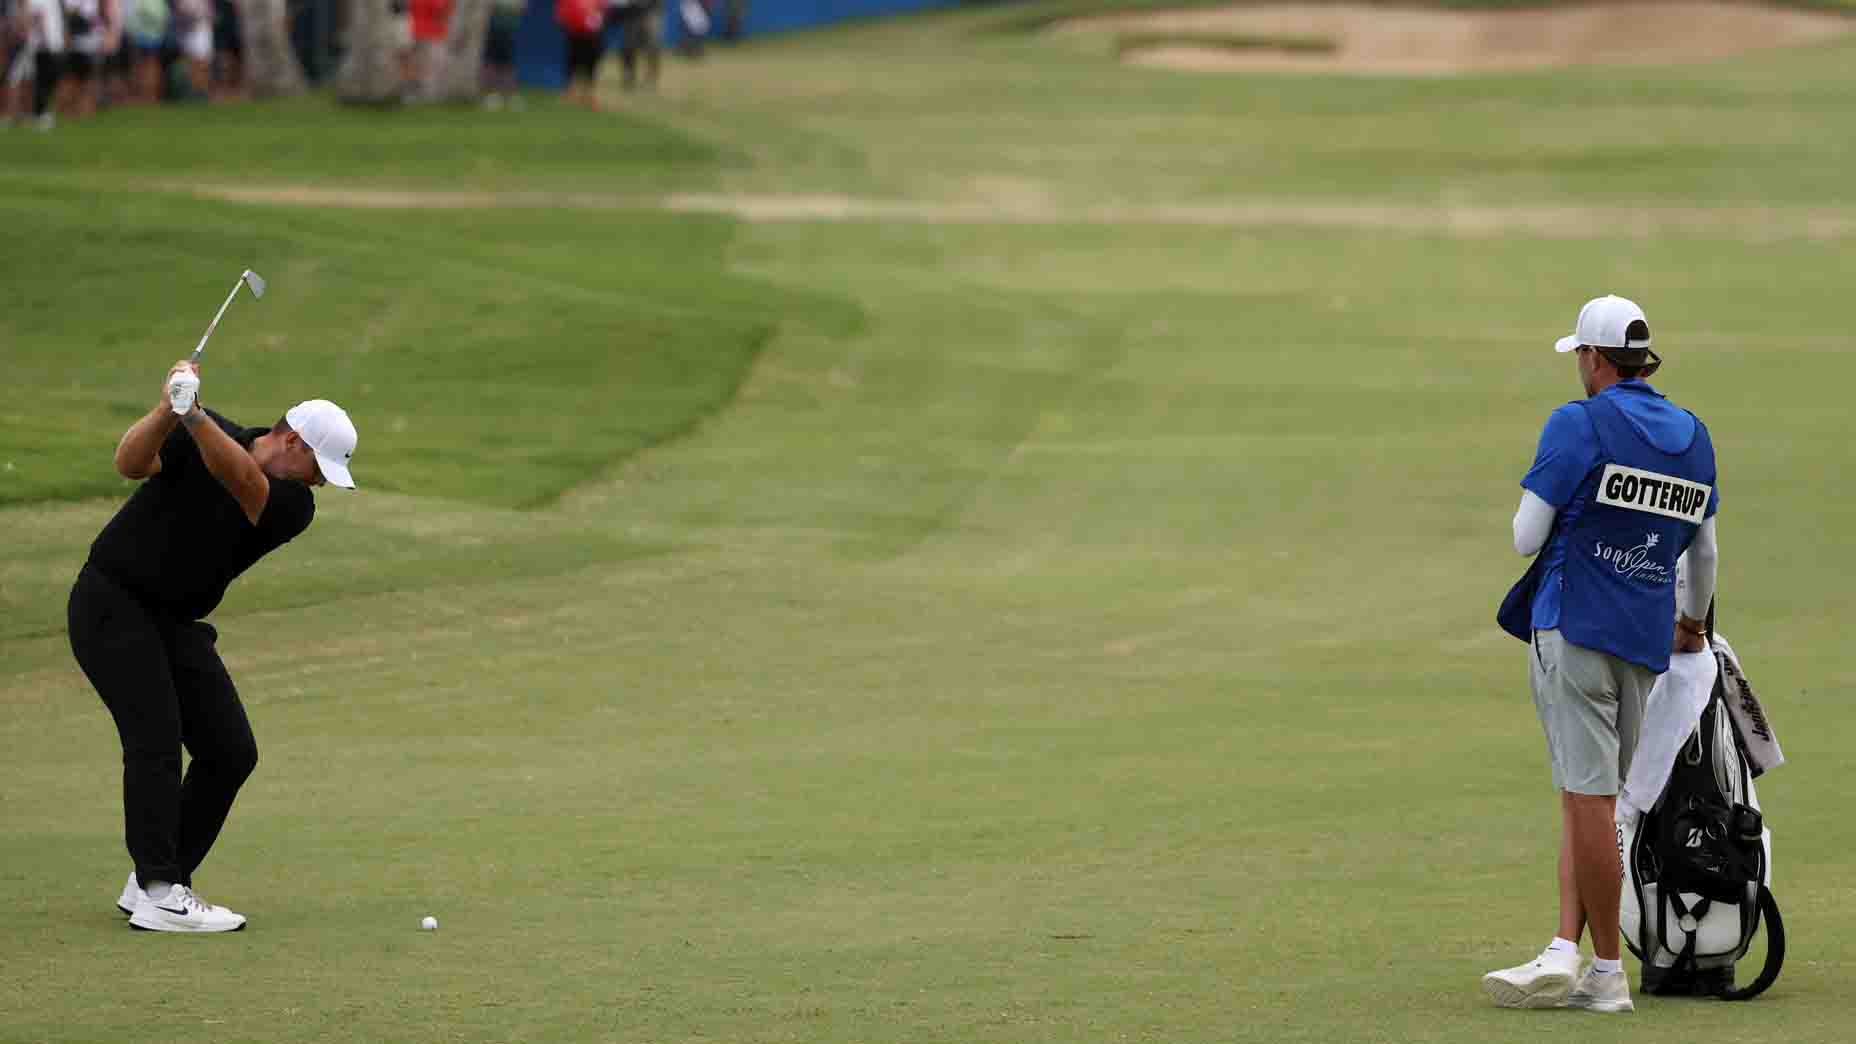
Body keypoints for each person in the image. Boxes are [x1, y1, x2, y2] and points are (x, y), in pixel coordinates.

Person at [1484, 294, 1719, 1012]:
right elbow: (1703, 552)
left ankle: (1608, 974)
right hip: (1646, 641)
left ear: (1593, 358)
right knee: (1586, 795)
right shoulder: (1694, 434)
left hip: (1574, 627)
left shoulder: (1577, 423)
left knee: (1589, 801)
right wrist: (1692, 623)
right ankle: (1565, 946)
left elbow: (1525, 537)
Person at [67, 357, 358, 932]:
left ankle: (155, 880)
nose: (322, 481)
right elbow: (130, 463)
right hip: (112, 603)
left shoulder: (295, 505)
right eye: (319, 467)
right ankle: (160, 891)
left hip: (174, 620)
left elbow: (245, 482)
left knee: (229, 751)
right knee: (154, 737)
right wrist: (166, 409)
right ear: (292, 441)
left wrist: (194, 417)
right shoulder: (199, 427)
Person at [554, 0, 602, 109]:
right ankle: (569, 93)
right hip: (575, 33)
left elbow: (601, 10)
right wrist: (567, 22)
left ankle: (588, 95)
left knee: (590, 65)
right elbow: (561, 14)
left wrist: (596, 19)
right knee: (572, 62)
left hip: (592, 35)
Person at [480, 0, 522, 108]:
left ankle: (509, 95)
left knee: (506, 64)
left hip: (507, 30)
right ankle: (491, 93)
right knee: (491, 62)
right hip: (492, 29)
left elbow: (520, 6)